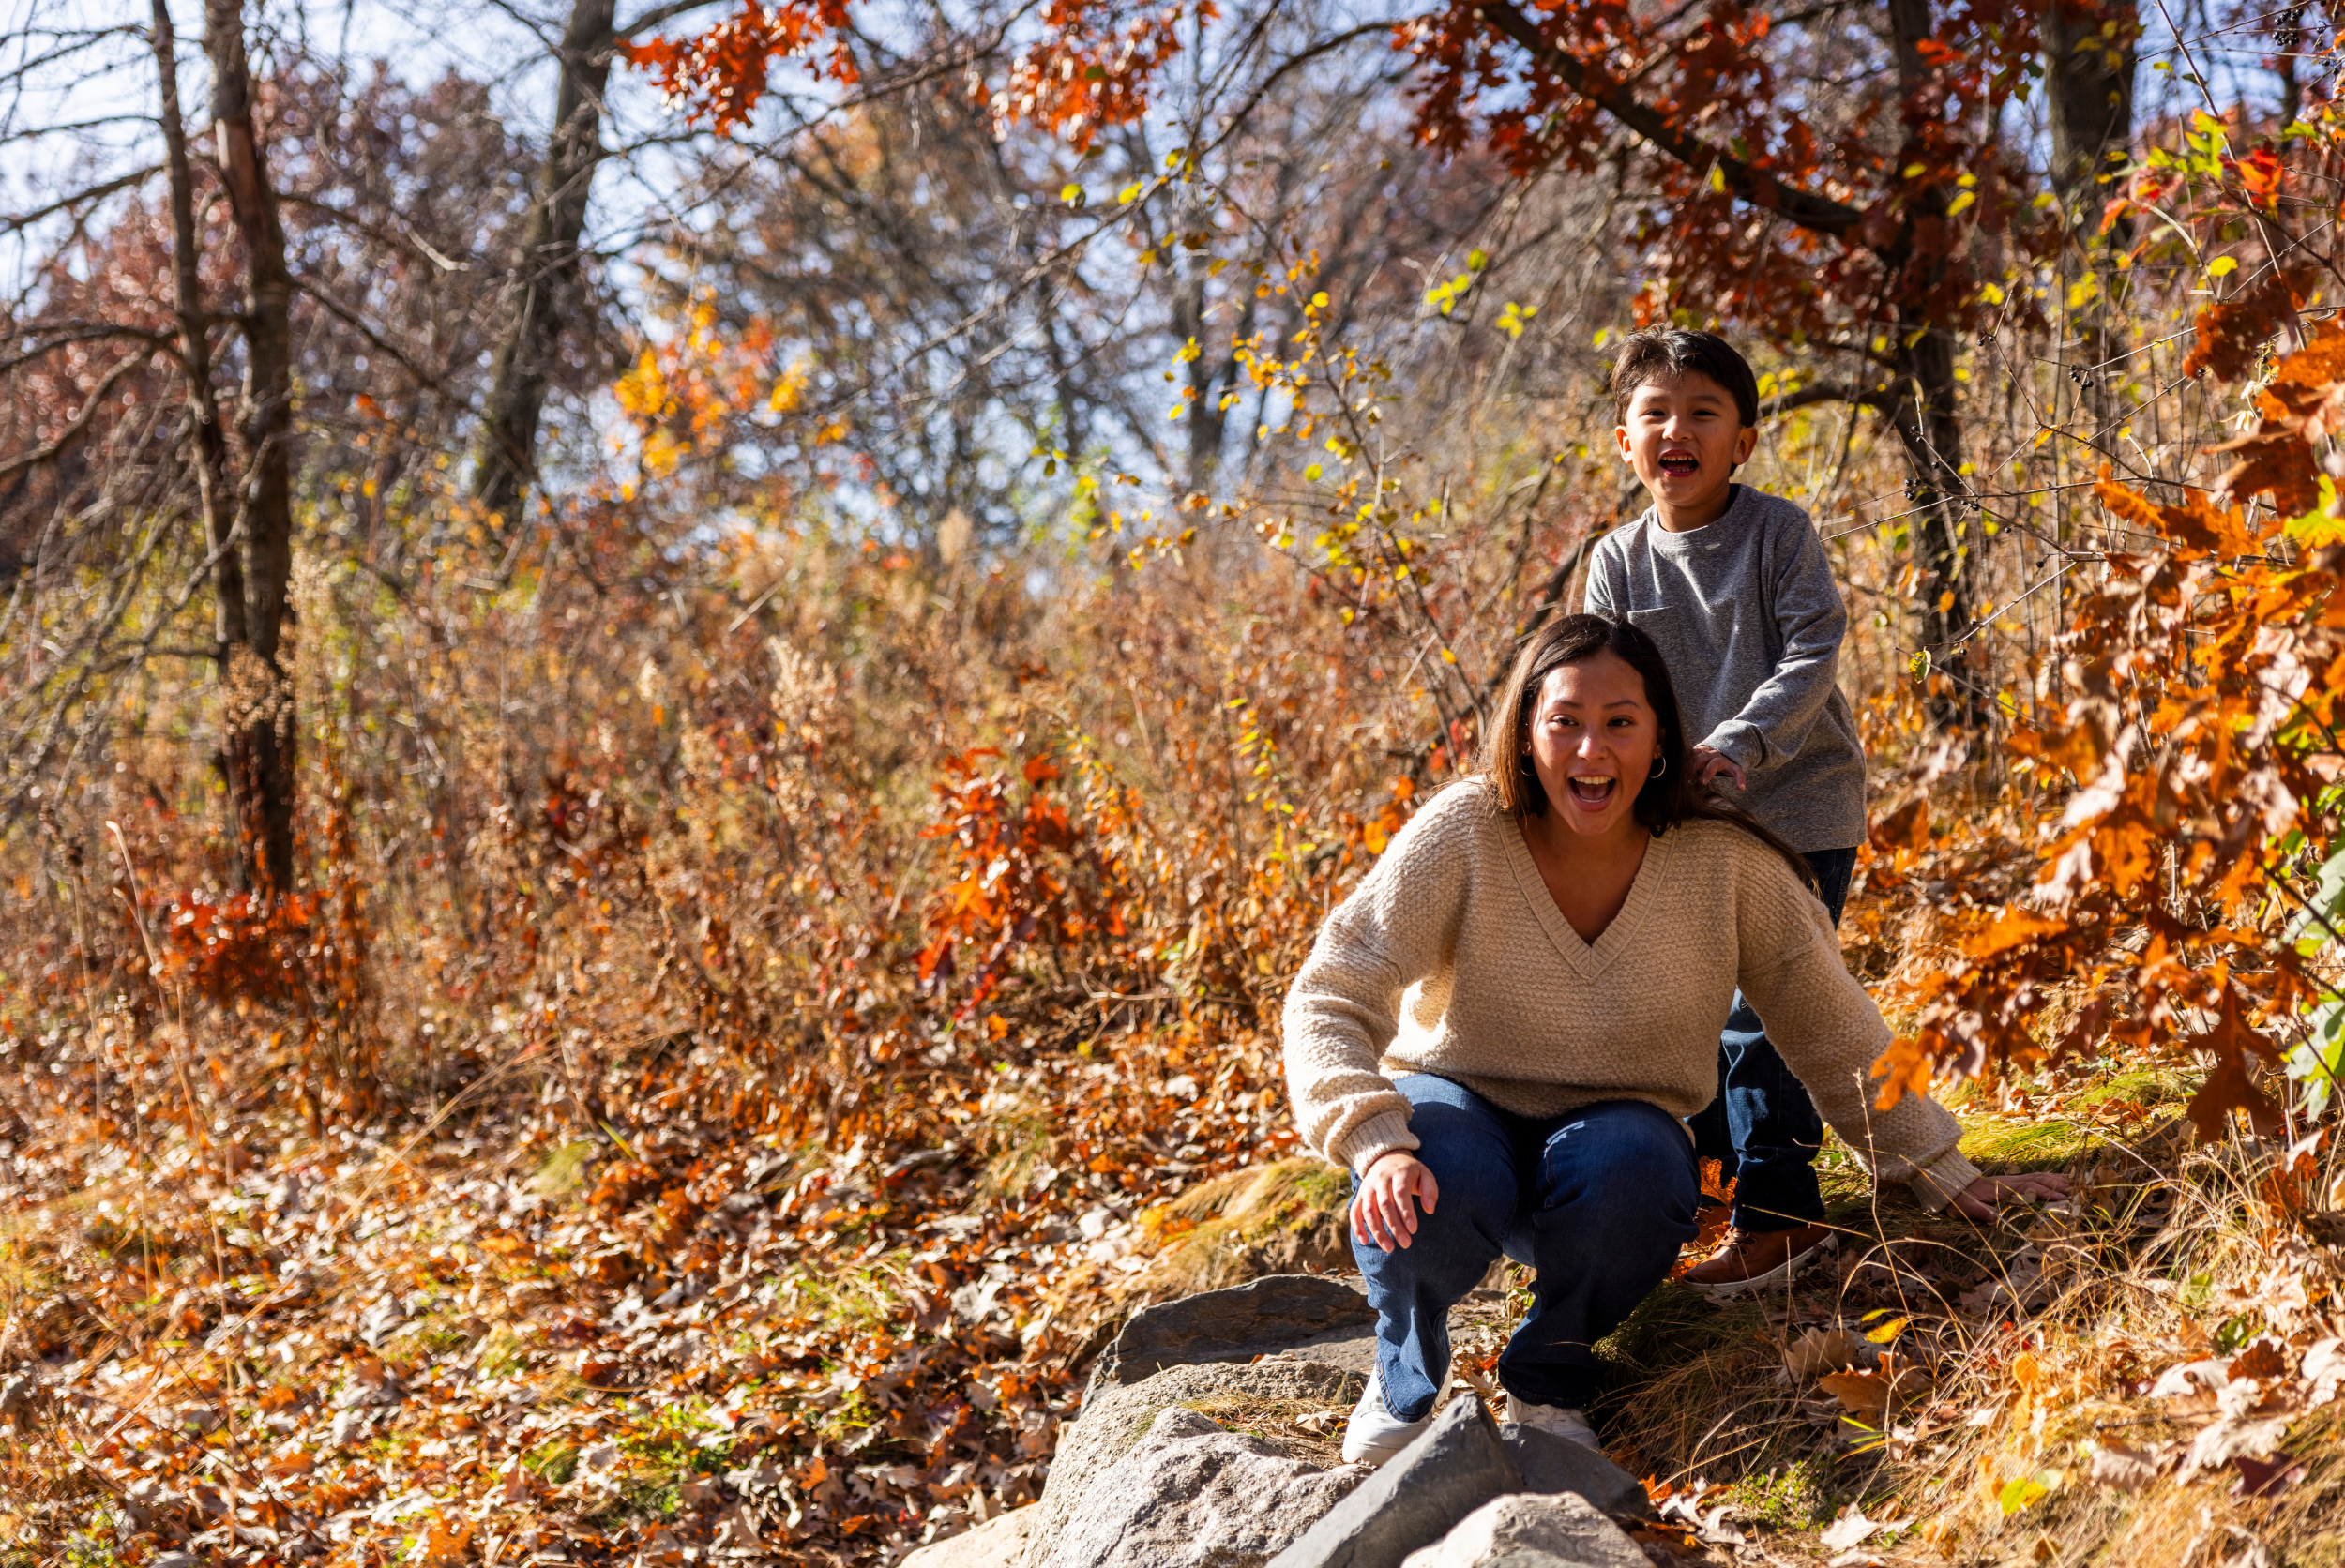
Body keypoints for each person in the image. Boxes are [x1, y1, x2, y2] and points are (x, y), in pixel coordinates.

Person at [1281, 615, 2065, 1467]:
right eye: (1565, 722)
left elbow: (1834, 1029)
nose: (1592, 750)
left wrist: (1937, 1166)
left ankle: (1550, 1382)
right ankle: (1406, 1370)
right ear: (1525, 731)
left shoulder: (1724, 863)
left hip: (1612, 1151)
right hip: (1461, 1113)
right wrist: (1372, 1139)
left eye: (1621, 722)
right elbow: (1330, 991)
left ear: (1661, 737)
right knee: (1428, 1169)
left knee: (1640, 1168)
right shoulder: (1465, 832)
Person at [1584, 328, 1870, 1296]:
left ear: (1741, 439)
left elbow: (1812, 647)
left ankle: (1784, 1216)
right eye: (1655, 413)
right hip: (1687, 819)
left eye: (1703, 412)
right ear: (1625, 443)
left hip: (1799, 805)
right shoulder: (1617, 563)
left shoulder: (1776, 533)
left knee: (1765, 1011)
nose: (1678, 429)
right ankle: (1710, 1187)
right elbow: (1603, 686)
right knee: (1690, 1006)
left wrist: (1739, 742)